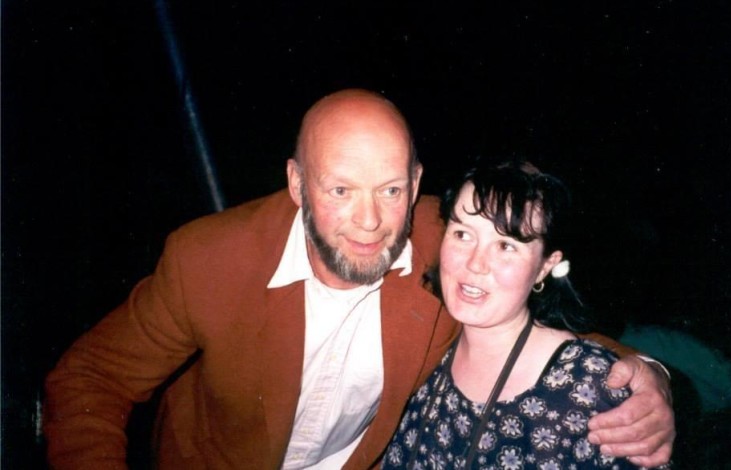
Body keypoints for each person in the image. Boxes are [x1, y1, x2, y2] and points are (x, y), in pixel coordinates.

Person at [43, 89, 674, 469]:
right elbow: (89, 379)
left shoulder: (450, 242)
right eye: (340, 190)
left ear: (416, 185)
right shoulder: (208, 260)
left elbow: (525, 313)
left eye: (391, 190)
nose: (371, 222)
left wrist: (645, 375)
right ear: (297, 184)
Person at [382, 156, 673, 469]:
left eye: (506, 246)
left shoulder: (586, 390)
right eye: (463, 234)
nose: (475, 264)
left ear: (545, 266)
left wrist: (654, 372)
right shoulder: (432, 348)